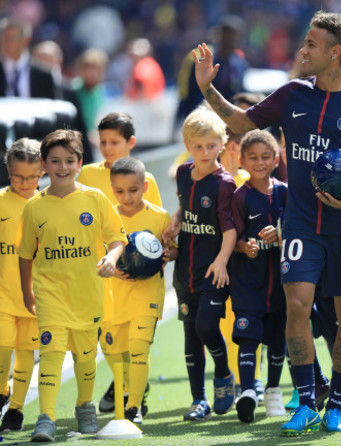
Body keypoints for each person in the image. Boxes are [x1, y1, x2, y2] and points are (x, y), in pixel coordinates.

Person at [192, 10, 341, 435]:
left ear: (335, 53)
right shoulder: (293, 92)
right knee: (297, 306)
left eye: (311, 44)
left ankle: (338, 403)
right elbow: (241, 123)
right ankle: (307, 402)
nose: (302, 49)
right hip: (300, 223)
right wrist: (207, 87)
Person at [18, 129, 126, 442]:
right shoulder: (34, 207)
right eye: (55, 161)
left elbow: (117, 238)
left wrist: (113, 258)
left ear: (80, 163)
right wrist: (27, 293)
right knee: (50, 352)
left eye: (69, 160)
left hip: (87, 293)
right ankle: (46, 418)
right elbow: (26, 255)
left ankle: (85, 406)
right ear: (43, 165)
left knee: (85, 355)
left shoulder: (94, 198)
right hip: (50, 293)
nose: (62, 167)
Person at [77, 111, 162, 415]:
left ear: (131, 143)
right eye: (102, 142)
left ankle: (132, 398)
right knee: (110, 344)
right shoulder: (87, 176)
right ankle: (124, 383)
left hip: (139, 284)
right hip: (101, 277)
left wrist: (142, 266)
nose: (108, 147)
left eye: (115, 141)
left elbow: (153, 237)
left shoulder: (147, 180)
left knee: (136, 344)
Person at [171, 107, 237, 422]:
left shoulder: (225, 184)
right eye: (198, 147)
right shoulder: (184, 173)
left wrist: (222, 262)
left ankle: (224, 373)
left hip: (213, 272)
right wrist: (175, 219)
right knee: (190, 336)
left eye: (211, 145)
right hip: (185, 271)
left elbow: (230, 230)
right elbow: (185, 206)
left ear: (222, 144)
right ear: (187, 145)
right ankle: (199, 400)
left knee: (206, 326)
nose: (205, 152)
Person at [108, 157, 176, 424]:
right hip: (116, 295)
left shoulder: (159, 217)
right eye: (120, 191)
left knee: (138, 349)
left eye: (133, 190)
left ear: (145, 187)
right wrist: (112, 268)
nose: (127, 196)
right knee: (120, 353)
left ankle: (133, 407)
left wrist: (171, 252)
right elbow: (99, 254)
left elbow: (175, 250)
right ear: (112, 188)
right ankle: (130, 392)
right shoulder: (108, 217)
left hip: (147, 294)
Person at [230, 129, 288, 423]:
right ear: (241, 161)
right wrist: (245, 246)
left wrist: (279, 237)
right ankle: (248, 391)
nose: (259, 162)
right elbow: (234, 238)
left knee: (278, 340)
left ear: (276, 159)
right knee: (248, 337)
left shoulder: (285, 193)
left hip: (280, 283)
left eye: (266, 156)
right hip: (247, 283)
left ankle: (274, 390)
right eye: (252, 157)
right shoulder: (240, 196)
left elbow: (298, 231)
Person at [0, 138, 42, 432]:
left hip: (35, 298)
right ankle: (2, 391)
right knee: (2, 351)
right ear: (8, 171)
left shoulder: (47, 204)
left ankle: (15, 409)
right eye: (18, 177)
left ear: (42, 172)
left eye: (31, 177)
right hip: (3, 295)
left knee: (26, 354)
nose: (24, 183)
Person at [175, 15, 248, 131]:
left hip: (229, 123)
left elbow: (240, 93)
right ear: (221, 35)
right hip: (201, 120)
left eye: (236, 36)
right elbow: (186, 93)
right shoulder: (202, 57)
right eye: (229, 36)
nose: (233, 40)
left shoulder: (239, 63)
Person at [0, 17, 58, 98]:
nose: (5, 43)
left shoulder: (44, 76)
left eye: (10, 39)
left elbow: (53, 105)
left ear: (25, 41)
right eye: (3, 39)